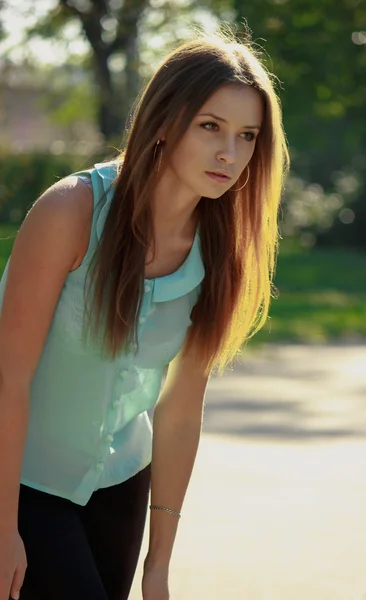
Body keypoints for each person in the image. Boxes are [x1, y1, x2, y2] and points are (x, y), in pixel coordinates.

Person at [0, 26, 289, 600]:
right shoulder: (71, 211)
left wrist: (158, 566)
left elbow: (180, 411)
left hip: (121, 488)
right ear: (164, 121)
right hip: (24, 484)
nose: (229, 153)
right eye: (210, 127)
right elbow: (8, 378)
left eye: (247, 135)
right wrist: (3, 525)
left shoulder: (222, 250)